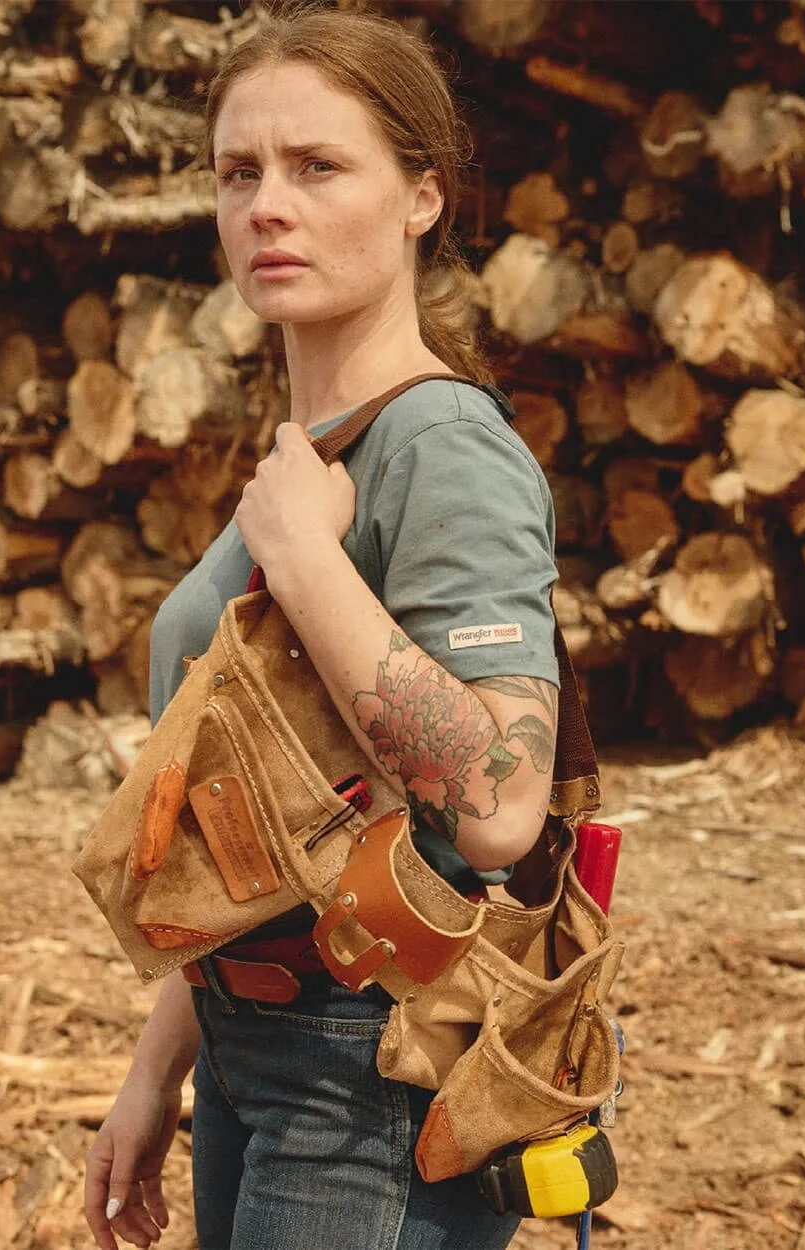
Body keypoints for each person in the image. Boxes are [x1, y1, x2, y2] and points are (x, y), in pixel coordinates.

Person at [84, 6, 560, 1248]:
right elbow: (275, 834)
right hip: (262, 1056)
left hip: (376, 1077)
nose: (267, 206)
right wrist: (159, 1072)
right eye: (239, 172)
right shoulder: (311, 459)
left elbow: (500, 803)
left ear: (421, 198)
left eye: (317, 166)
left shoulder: (439, 447)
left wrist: (304, 559)